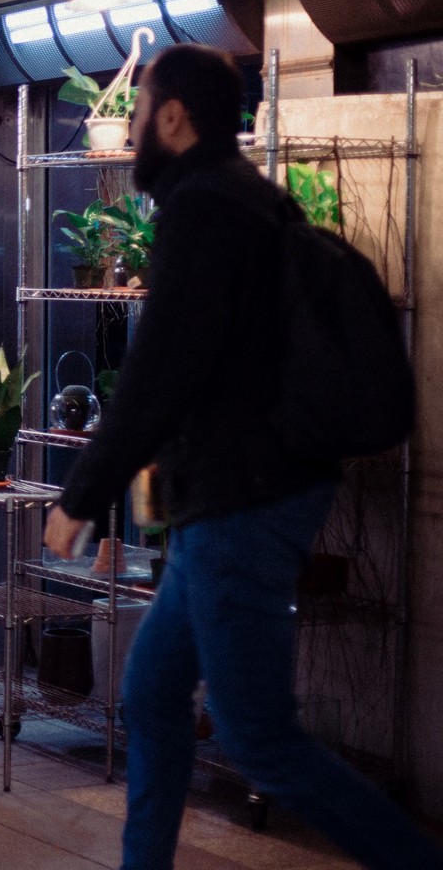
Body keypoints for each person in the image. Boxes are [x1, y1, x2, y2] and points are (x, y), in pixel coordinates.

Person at [43, 44, 442, 870]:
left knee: (259, 741)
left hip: (245, 506)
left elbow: (161, 371)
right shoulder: (249, 202)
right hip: (225, 505)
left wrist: (82, 496)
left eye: (142, 110)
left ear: (174, 118)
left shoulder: (209, 211)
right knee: (152, 697)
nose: (134, 127)